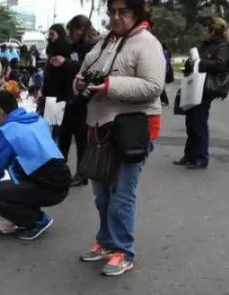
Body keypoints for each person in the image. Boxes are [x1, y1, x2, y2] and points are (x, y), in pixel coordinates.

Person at [74, 0, 164, 277]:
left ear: (136, 13)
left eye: (123, 12)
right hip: (99, 127)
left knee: (121, 194)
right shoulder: (103, 43)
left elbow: (153, 86)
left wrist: (110, 86)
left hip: (131, 131)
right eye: (112, 11)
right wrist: (78, 82)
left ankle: (124, 251)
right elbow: (84, 72)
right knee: (101, 193)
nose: (116, 17)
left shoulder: (147, 43)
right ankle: (106, 241)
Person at [0, 91, 71, 242]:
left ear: (0, 112)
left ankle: (36, 220)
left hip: (48, 186)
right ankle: (27, 217)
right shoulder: (36, 120)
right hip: (62, 180)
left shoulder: (7, 132)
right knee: (13, 177)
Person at [174, 17, 229, 170]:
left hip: (206, 88)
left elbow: (220, 64)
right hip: (196, 85)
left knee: (199, 122)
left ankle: (201, 157)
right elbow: (196, 61)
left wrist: (199, 63)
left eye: (206, 28)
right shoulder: (206, 45)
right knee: (191, 121)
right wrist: (189, 63)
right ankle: (189, 155)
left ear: (213, 30)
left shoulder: (223, 46)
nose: (203, 31)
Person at [60, 15, 101, 187]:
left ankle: (82, 173)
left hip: (85, 99)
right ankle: (60, 172)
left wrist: (67, 63)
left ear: (82, 29)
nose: (71, 33)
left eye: (73, 30)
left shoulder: (94, 47)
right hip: (70, 96)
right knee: (64, 135)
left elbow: (91, 71)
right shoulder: (73, 46)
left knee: (81, 138)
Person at [41, 24, 73, 141]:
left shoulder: (63, 48)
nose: (50, 37)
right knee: (51, 123)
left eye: (53, 34)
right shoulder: (52, 48)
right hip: (51, 91)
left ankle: (54, 150)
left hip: (60, 92)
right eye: (49, 34)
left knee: (56, 125)